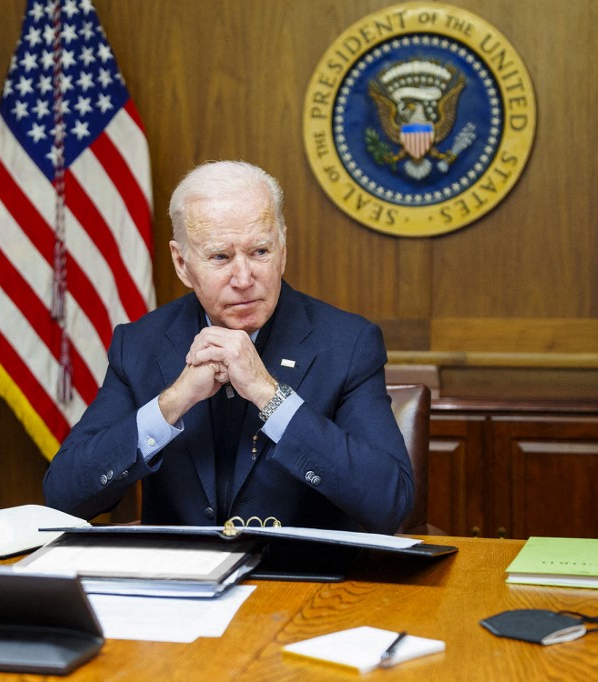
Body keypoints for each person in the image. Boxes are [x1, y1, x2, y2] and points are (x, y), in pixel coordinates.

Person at [43, 160, 413, 534]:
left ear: (282, 248)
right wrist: (173, 401)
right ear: (182, 263)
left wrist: (270, 396)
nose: (243, 278)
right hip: (182, 583)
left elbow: (390, 501)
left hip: (303, 580)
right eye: (220, 256)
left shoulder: (347, 343)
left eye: (260, 252)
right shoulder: (140, 344)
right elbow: (63, 496)